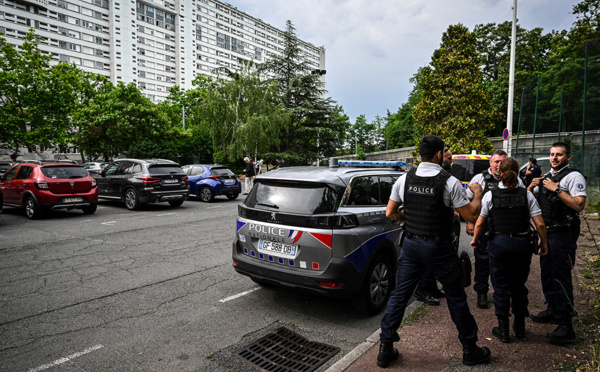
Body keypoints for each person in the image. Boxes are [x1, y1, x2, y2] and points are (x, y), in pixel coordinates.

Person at [378, 135, 491, 368]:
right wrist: (478, 194)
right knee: (456, 298)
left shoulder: (404, 179)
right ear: (439, 154)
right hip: (438, 248)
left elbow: (390, 213)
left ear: (420, 154)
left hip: (410, 245)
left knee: (399, 295)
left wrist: (406, 216)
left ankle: (384, 348)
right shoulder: (449, 182)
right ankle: (470, 349)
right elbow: (470, 215)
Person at [470, 157, 548, 343]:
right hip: (522, 245)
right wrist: (543, 243)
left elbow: (480, 222)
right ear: (517, 172)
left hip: (499, 244)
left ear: (500, 173)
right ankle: (520, 327)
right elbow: (540, 224)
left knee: (501, 287)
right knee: (519, 286)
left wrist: (474, 240)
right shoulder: (526, 194)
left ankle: (503, 329)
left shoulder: (491, 195)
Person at [528, 142, 587, 344]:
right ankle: (553, 309)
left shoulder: (573, 177)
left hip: (563, 232)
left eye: (559, 155)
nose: (554, 158)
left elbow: (579, 205)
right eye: (552, 154)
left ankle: (566, 325)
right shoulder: (547, 177)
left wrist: (557, 189)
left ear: (568, 157)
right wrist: (532, 187)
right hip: (547, 232)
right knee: (547, 273)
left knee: (561, 276)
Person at [465, 150, 525, 309]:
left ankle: (508, 294)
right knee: (482, 261)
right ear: (490, 163)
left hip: (506, 228)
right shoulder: (479, 178)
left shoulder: (517, 181)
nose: (499, 165)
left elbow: (524, 200)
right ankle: (482, 293)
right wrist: (470, 222)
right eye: (496, 161)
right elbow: (468, 202)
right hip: (484, 227)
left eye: (502, 161)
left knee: (508, 263)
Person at [414, 147, 453, 306]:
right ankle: (422, 290)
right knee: (428, 264)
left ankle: (431, 287)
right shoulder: (435, 178)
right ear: (440, 157)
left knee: (433, 263)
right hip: (429, 229)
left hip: (440, 228)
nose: (451, 161)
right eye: (449, 158)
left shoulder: (444, 176)